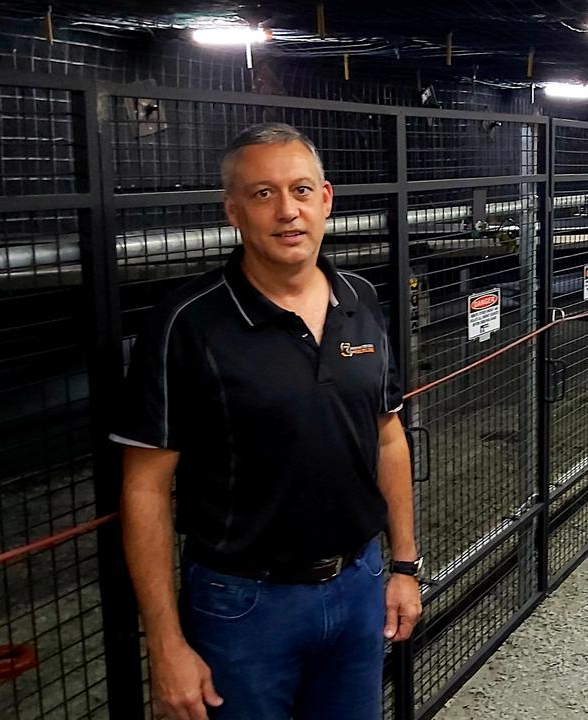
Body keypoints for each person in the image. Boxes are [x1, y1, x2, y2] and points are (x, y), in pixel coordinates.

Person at [113, 122, 422, 720]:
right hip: (243, 607)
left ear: (326, 199)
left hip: (358, 586)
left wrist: (404, 565)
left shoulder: (359, 300)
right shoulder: (188, 324)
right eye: (262, 194)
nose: (287, 211)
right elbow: (145, 488)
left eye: (301, 190)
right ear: (233, 211)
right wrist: (166, 642)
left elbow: (389, 437)